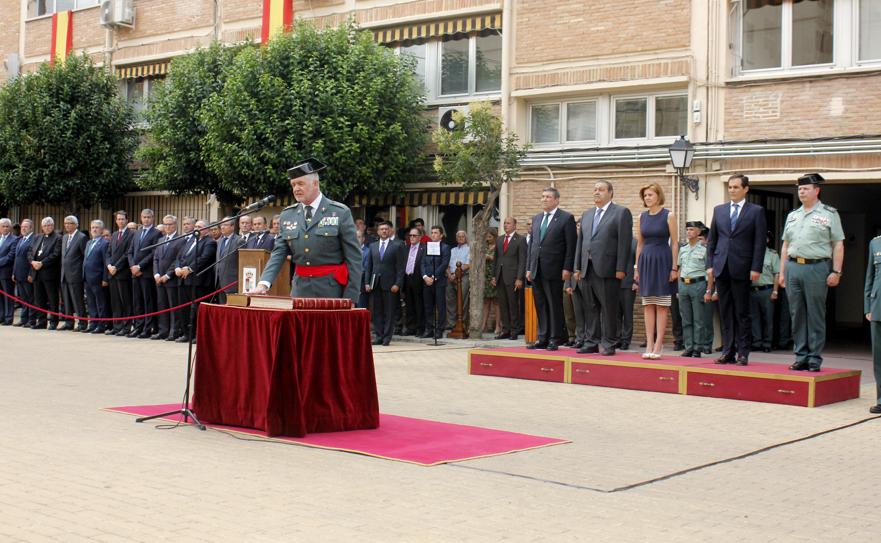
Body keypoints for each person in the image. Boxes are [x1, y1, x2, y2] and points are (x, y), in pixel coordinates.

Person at [253, 158, 362, 304]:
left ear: (315, 184)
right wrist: (263, 283)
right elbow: (279, 252)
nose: (296, 188)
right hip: (300, 290)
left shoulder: (340, 212)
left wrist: (351, 297)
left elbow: (354, 258)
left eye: (300, 184)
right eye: (293, 185)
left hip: (331, 291)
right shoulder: (287, 214)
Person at [778, 173, 844, 372]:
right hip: (793, 267)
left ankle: (814, 358)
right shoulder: (793, 215)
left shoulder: (829, 213)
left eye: (806, 189)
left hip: (817, 267)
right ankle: (801, 356)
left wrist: (836, 271)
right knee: (796, 313)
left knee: (815, 313)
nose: (802, 192)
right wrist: (781, 272)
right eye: (799, 189)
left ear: (817, 190)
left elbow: (838, 244)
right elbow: (785, 245)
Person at [707, 174, 767, 366]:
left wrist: (756, 267)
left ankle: (743, 353)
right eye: (730, 187)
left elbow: (759, 242)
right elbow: (712, 240)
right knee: (725, 311)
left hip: (743, 268)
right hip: (721, 267)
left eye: (735, 187)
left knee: (742, 312)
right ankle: (728, 351)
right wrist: (710, 264)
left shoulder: (756, 211)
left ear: (745, 189)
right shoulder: (719, 210)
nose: (731, 190)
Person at [574, 180, 633, 356]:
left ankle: (609, 343)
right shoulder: (587, 214)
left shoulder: (621, 213)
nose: (596, 192)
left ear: (610, 193)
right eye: (594, 190)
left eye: (601, 189)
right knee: (590, 307)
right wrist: (577, 266)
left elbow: (625, 243)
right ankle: (591, 342)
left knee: (609, 308)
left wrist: (621, 268)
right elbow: (581, 242)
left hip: (608, 268)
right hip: (587, 268)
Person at [526, 187, 577, 351]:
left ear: (556, 200)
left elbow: (571, 246)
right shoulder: (536, 218)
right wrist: (529, 267)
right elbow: (532, 246)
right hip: (536, 269)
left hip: (555, 268)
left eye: (548, 197)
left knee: (554, 304)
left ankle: (555, 338)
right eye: (542, 197)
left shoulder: (566, 218)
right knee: (540, 304)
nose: (544, 199)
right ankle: (542, 337)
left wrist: (567, 267)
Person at [634, 183, 678, 360]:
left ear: (658, 196)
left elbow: (675, 242)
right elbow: (640, 243)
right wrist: (636, 267)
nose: (647, 198)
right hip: (646, 261)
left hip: (663, 260)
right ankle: (649, 344)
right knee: (648, 305)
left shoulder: (669, 215)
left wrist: (674, 267)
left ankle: (659, 345)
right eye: (645, 196)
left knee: (662, 306)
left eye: (650, 195)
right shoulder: (641, 217)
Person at [174, 219, 217, 343]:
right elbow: (179, 256)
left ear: (207, 230)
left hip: (199, 282)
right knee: (184, 309)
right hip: (183, 279)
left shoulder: (210, 242)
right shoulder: (190, 240)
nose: (197, 228)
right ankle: (187, 334)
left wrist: (190, 268)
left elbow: (204, 258)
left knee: (198, 310)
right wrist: (177, 267)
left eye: (200, 226)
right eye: (196, 226)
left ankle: (199, 335)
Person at [365, 221, 406, 345]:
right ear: (378, 232)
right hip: (375, 283)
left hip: (390, 284)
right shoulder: (372, 246)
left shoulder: (397, 245)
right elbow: (369, 266)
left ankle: (387, 337)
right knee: (377, 311)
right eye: (381, 229)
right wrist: (367, 283)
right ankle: (379, 336)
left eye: (386, 229)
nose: (384, 231)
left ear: (390, 231)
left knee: (389, 312)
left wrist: (397, 284)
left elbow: (400, 267)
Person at [128, 209, 162, 339]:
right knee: (137, 301)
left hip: (146, 272)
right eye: (144, 217)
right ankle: (138, 326)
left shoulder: (157, 233)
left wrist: (140, 266)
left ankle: (147, 328)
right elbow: (130, 251)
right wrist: (132, 266)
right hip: (134, 272)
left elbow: (153, 253)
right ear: (141, 218)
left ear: (153, 218)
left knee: (148, 301)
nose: (146, 219)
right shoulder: (137, 233)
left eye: (148, 217)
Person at [493, 217, 527, 341]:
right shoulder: (500, 239)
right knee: (503, 305)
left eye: (508, 223)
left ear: (514, 225)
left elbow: (522, 260)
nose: (506, 225)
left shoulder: (521, 240)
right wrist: (493, 276)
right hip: (500, 276)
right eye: (504, 223)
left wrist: (519, 278)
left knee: (513, 305)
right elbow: (496, 259)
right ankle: (505, 330)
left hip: (513, 278)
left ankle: (514, 330)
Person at [677, 221, 707, 357]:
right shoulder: (683, 249)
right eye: (687, 229)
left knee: (698, 319)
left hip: (698, 284)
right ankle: (688, 346)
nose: (688, 232)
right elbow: (679, 268)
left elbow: (709, 270)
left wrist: (709, 289)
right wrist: (679, 287)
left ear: (698, 232)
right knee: (686, 318)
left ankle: (697, 348)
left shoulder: (705, 250)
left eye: (691, 229)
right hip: (684, 284)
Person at [152, 214, 183, 341]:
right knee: (162, 305)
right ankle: (163, 330)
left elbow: (178, 259)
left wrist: (167, 275)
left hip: (171, 279)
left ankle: (174, 331)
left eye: (170, 224)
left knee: (173, 306)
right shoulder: (161, 240)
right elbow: (156, 258)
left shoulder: (181, 239)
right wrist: (157, 274)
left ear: (175, 225)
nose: (167, 227)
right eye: (165, 224)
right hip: (159, 279)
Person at [28, 217, 62, 330]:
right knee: (39, 299)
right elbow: (30, 251)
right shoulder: (38, 237)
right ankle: (41, 321)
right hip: (37, 273)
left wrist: (42, 263)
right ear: (42, 227)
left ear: (53, 226)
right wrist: (32, 262)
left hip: (50, 273)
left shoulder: (58, 238)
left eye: (49, 225)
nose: (47, 227)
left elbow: (56, 254)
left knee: (52, 299)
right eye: (45, 226)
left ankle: (53, 322)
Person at [750, 231, 780, 353]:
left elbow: (776, 274)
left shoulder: (772, 255)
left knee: (768, 318)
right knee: (754, 317)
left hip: (767, 290)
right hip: (752, 290)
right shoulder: (750, 253)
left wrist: (775, 291)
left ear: (767, 240)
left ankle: (767, 343)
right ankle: (757, 342)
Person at [106, 211, 134, 336]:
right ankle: (117, 326)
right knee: (115, 301)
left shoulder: (131, 234)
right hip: (112, 273)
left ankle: (126, 327)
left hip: (123, 273)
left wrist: (116, 266)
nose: (120, 221)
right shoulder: (114, 234)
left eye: (123, 219)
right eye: (118, 219)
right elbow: (108, 253)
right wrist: (109, 266)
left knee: (125, 301)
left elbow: (127, 253)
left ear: (127, 220)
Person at [421, 225, 451, 339]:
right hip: (426, 281)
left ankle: (439, 329)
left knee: (440, 306)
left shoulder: (445, 247)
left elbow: (444, 264)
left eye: (436, 233)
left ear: (441, 235)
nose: (433, 234)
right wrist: (425, 277)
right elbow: (422, 263)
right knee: (428, 306)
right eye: (432, 232)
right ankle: (429, 329)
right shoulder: (426, 247)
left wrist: (433, 277)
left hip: (439, 281)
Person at [59, 215, 88, 331]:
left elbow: (84, 257)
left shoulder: (81, 237)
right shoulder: (65, 237)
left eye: (70, 223)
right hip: (64, 274)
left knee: (77, 300)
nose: (67, 225)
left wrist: (81, 274)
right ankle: (68, 322)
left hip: (75, 275)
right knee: (66, 301)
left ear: (76, 225)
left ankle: (82, 323)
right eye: (66, 223)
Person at [83, 220, 110, 334]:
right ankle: (93, 322)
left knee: (100, 302)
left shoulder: (104, 243)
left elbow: (105, 262)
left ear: (102, 230)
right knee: (90, 302)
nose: (94, 229)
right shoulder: (89, 243)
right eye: (92, 227)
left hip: (98, 278)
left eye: (97, 227)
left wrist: (105, 278)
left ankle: (101, 324)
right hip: (87, 277)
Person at [864, 234, 881, 414]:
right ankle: (880, 399)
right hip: (878, 307)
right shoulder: (875, 243)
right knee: (878, 358)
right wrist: (867, 306)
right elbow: (870, 276)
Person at [402, 227, 426, 336]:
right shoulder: (405, 248)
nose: (411, 237)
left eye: (414, 235)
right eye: (410, 235)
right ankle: (410, 328)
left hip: (418, 279)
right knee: (409, 305)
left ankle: (420, 328)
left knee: (419, 305)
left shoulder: (423, 248)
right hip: (407, 279)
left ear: (420, 237)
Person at [12, 219, 35, 327]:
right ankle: (24, 318)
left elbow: (32, 259)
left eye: (26, 227)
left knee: (30, 298)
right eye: (22, 227)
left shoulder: (33, 240)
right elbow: (17, 258)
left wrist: (31, 273)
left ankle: (31, 319)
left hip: (27, 275)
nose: (23, 228)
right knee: (23, 299)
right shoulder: (20, 240)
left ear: (31, 228)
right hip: (19, 273)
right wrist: (14, 272)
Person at [446, 231, 471, 330]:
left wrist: (456, 275)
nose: (460, 238)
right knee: (450, 300)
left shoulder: (469, 249)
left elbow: (468, 265)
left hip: (463, 276)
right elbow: (447, 265)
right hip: (450, 277)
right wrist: (449, 275)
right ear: (456, 238)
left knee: (462, 300)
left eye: (462, 236)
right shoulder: (452, 250)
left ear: (466, 238)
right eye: (458, 236)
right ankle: (452, 324)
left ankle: (462, 323)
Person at [616, 237, 637, 351]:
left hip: (629, 284)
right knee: (616, 314)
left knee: (627, 314)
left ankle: (626, 340)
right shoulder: (615, 240)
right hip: (614, 283)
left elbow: (638, 263)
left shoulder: (635, 243)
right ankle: (617, 338)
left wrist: (636, 281)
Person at [214, 217, 241, 304]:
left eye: (225, 225)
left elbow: (241, 263)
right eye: (221, 225)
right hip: (219, 282)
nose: (222, 227)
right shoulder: (220, 241)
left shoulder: (239, 240)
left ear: (232, 227)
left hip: (231, 282)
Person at [481, 230, 501, 336]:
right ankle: (484, 325)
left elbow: (500, 259)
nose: (488, 238)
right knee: (486, 302)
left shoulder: (498, 247)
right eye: (486, 236)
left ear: (494, 236)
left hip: (495, 276)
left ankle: (498, 326)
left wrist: (490, 257)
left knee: (497, 302)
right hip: (484, 277)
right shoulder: (483, 247)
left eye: (489, 236)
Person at [0, 218, 19, 326]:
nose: (5, 228)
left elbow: (10, 256)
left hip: (6, 273)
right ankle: (1, 316)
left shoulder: (14, 239)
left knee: (8, 297)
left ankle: (8, 317)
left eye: (7, 226)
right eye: (3, 226)